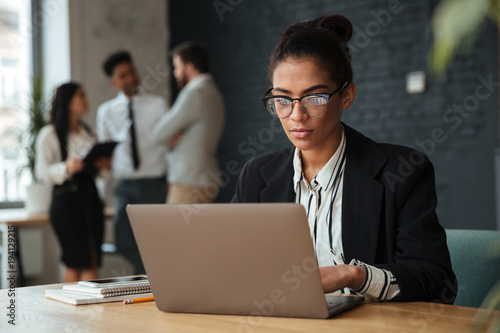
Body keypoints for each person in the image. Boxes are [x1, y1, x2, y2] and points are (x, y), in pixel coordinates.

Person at [231, 14, 457, 303]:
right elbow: (232, 266)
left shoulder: (402, 172)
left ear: (347, 95)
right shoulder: (257, 175)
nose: (296, 115)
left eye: (315, 98)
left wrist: (353, 276)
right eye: (283, 100)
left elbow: (437, 282)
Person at [97, 51, 168, 274]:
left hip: (155, 183)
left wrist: (171, 179)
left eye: (132, 72)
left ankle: (155, 281)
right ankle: (150, 274)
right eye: (123, 75)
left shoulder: (157, 105)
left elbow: (169, 146)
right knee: (123, 242)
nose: (131, 78)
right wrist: (102, 194)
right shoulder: (106, 112)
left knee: (158, 241)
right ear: (113, 82)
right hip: (125, 185)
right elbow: (104, 158)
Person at [36, 82, 110, 282]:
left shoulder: (89, 133)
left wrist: (104, 167)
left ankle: (91, 311)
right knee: (75, 260)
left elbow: (100, 175)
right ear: (67, 101)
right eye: (81, 96)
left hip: (90, 199)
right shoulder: (49, 134)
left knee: (92, 258)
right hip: (67, 201)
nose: (86, 100)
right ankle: (69, 310)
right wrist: (67, 168)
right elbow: (41, 172)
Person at [153, 42, 225, 204]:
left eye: (177, 67)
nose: (175, 73)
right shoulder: (213, 92)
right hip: (205, 176)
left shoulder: (194, 94)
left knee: (173, 229)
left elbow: (160, 133)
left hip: (190, 180)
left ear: (190, 67)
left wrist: (175, 135)